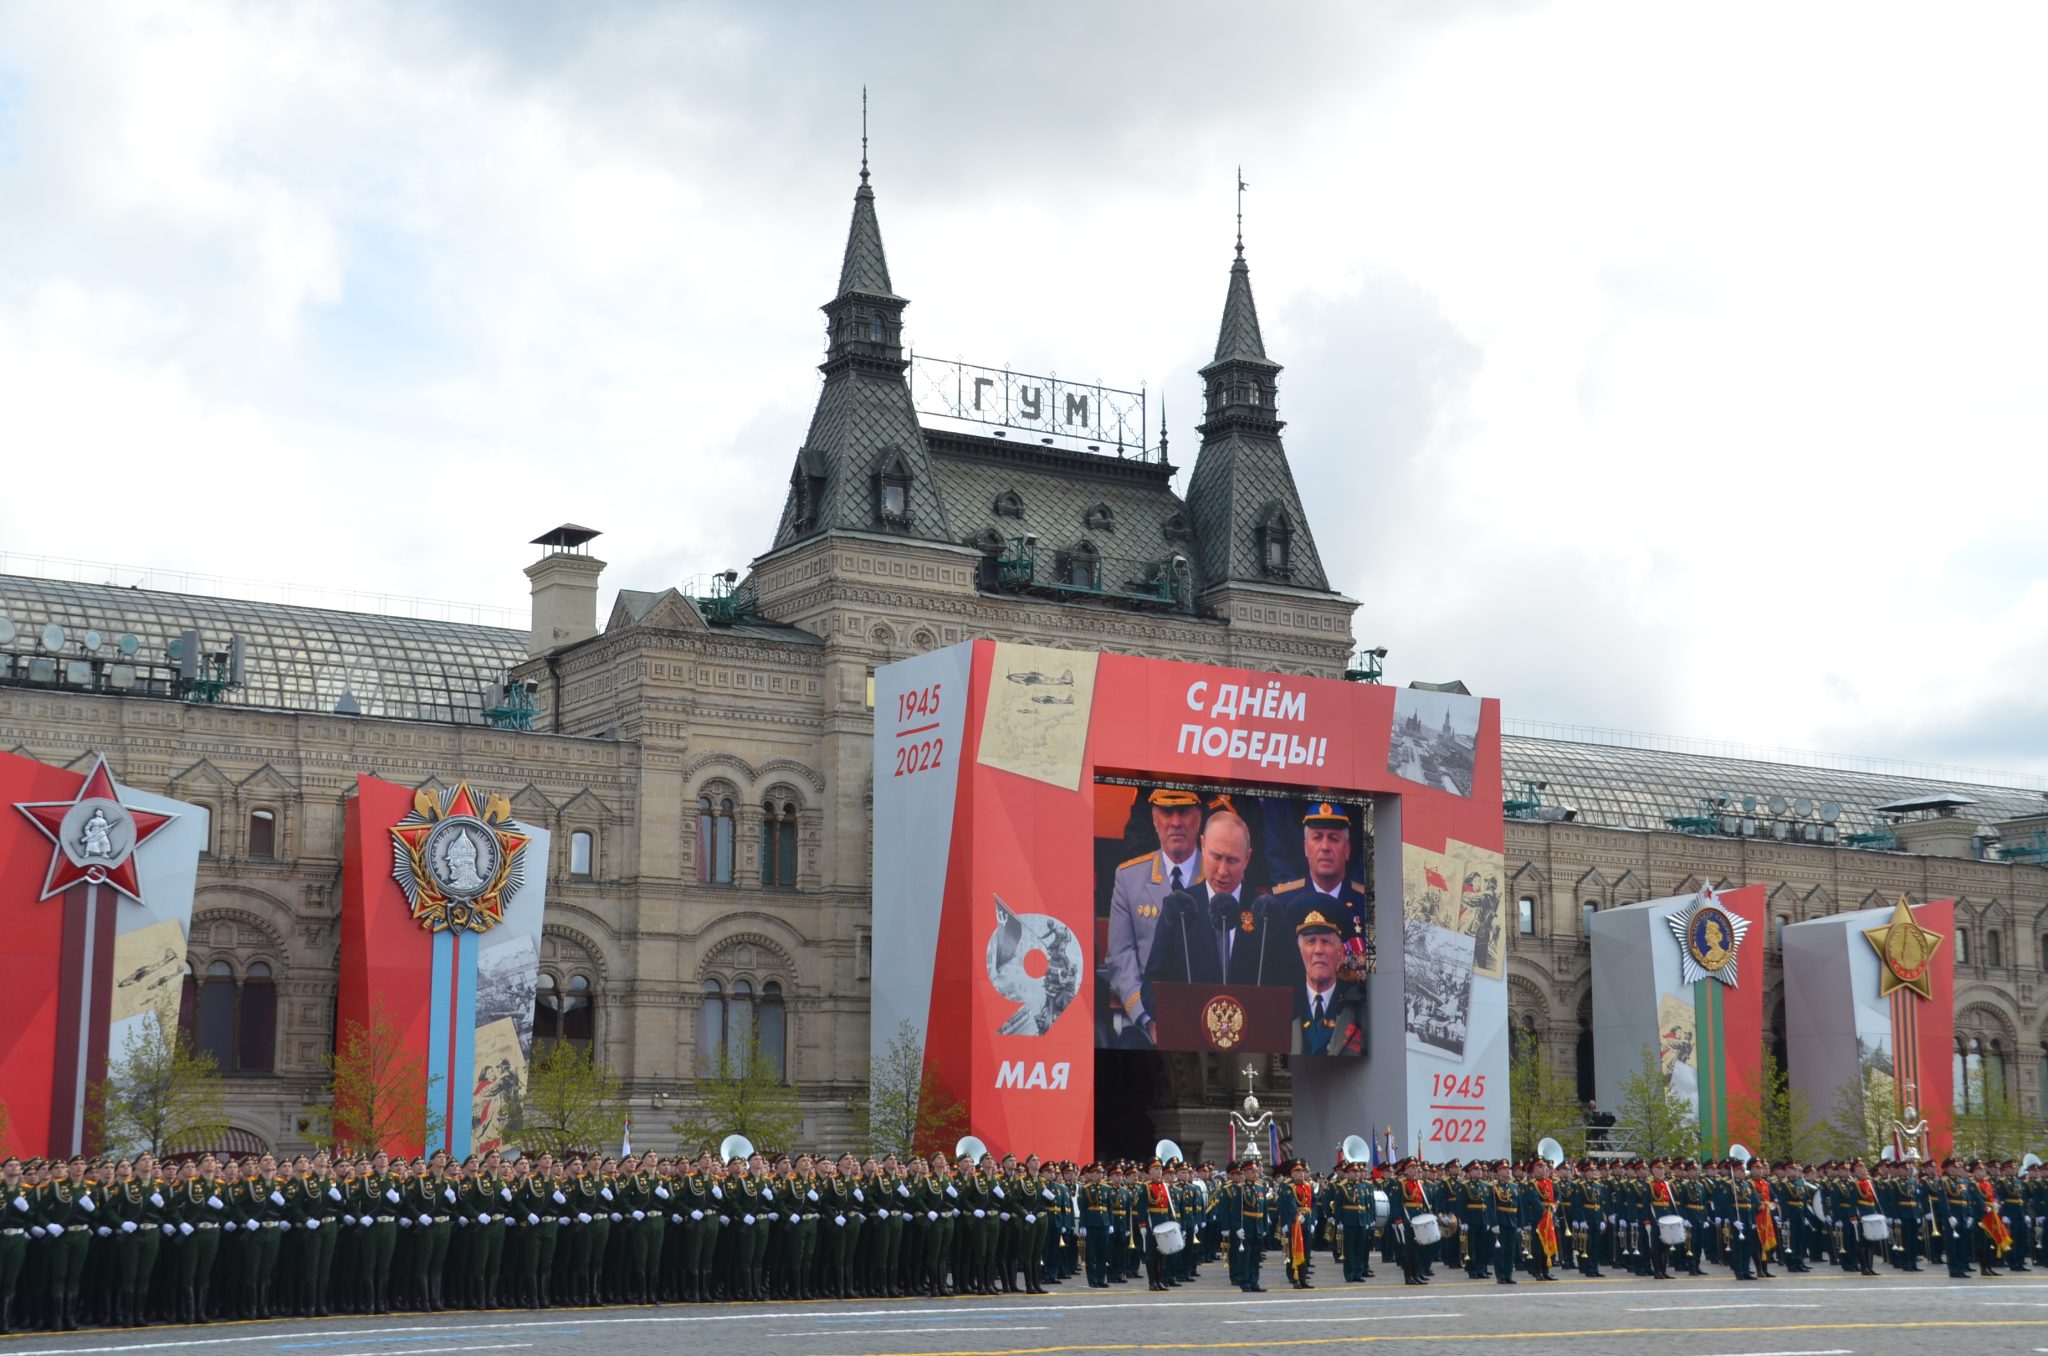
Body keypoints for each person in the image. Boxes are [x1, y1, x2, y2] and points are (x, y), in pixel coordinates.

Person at [1143, 810, 1300, 993]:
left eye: (1232, 860)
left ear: (1247, 858)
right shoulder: (1179, 909)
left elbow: (1292, 988)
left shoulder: (1267, 913)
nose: (1222, 871)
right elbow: (1151, 986)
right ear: (1202, 845)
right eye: (1216, 857)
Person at [1104, 788, 1204, 1044]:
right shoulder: (1128, 878)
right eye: (1166, 811)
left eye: (1184, 811)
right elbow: (1120, 957)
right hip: (1146, 1023)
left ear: (1199, 818)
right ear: (1153, 819)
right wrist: (1147, 1019)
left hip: (1207, 1020)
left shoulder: (1219, 875)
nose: (1176, 822)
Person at [1270, 801, 1371, 973]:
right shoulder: (1282, 903)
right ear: (1305, 848)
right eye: (1317, 837)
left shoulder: (1367, 905)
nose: (1325, 847)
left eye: (1333, 838)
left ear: (1347, 850)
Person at [1291, 911, 1366, 1055]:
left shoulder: (1360, 1008)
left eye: (1326, 941)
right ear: (1301, 952)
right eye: (1311, 941)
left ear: (1340, 954)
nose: (1318, 950)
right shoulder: (1286, 1005)